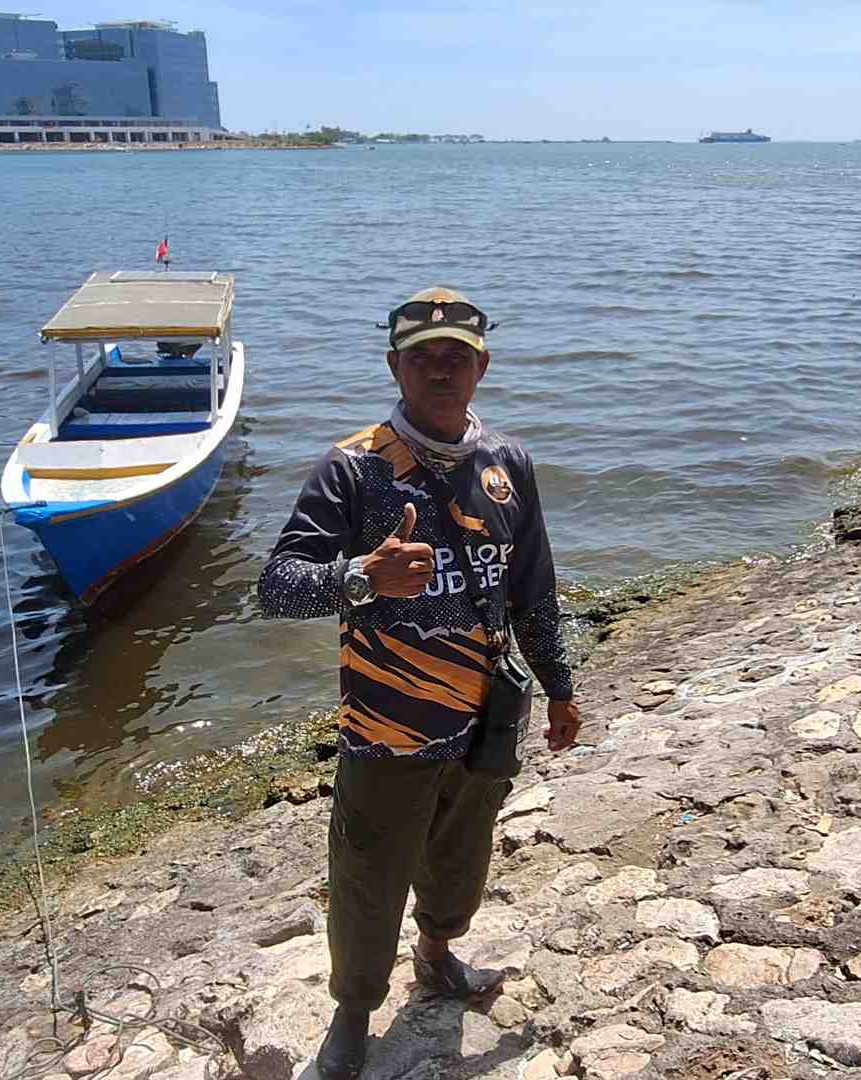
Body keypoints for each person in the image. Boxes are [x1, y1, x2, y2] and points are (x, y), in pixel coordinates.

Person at [257, 287, 582, 1080]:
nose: (441, 371)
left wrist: (561, 685)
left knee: (461, 856)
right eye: (424, 357)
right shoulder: (355, 468)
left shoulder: (508, 463)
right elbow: (276, 586)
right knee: (368, 876)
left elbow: (534, 589)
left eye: (457, 358)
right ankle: (353, 1011)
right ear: (393, 365)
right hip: (386, 723)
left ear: (482, 368)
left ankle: (437, 957)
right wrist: (362, 577)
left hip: (484, 716)